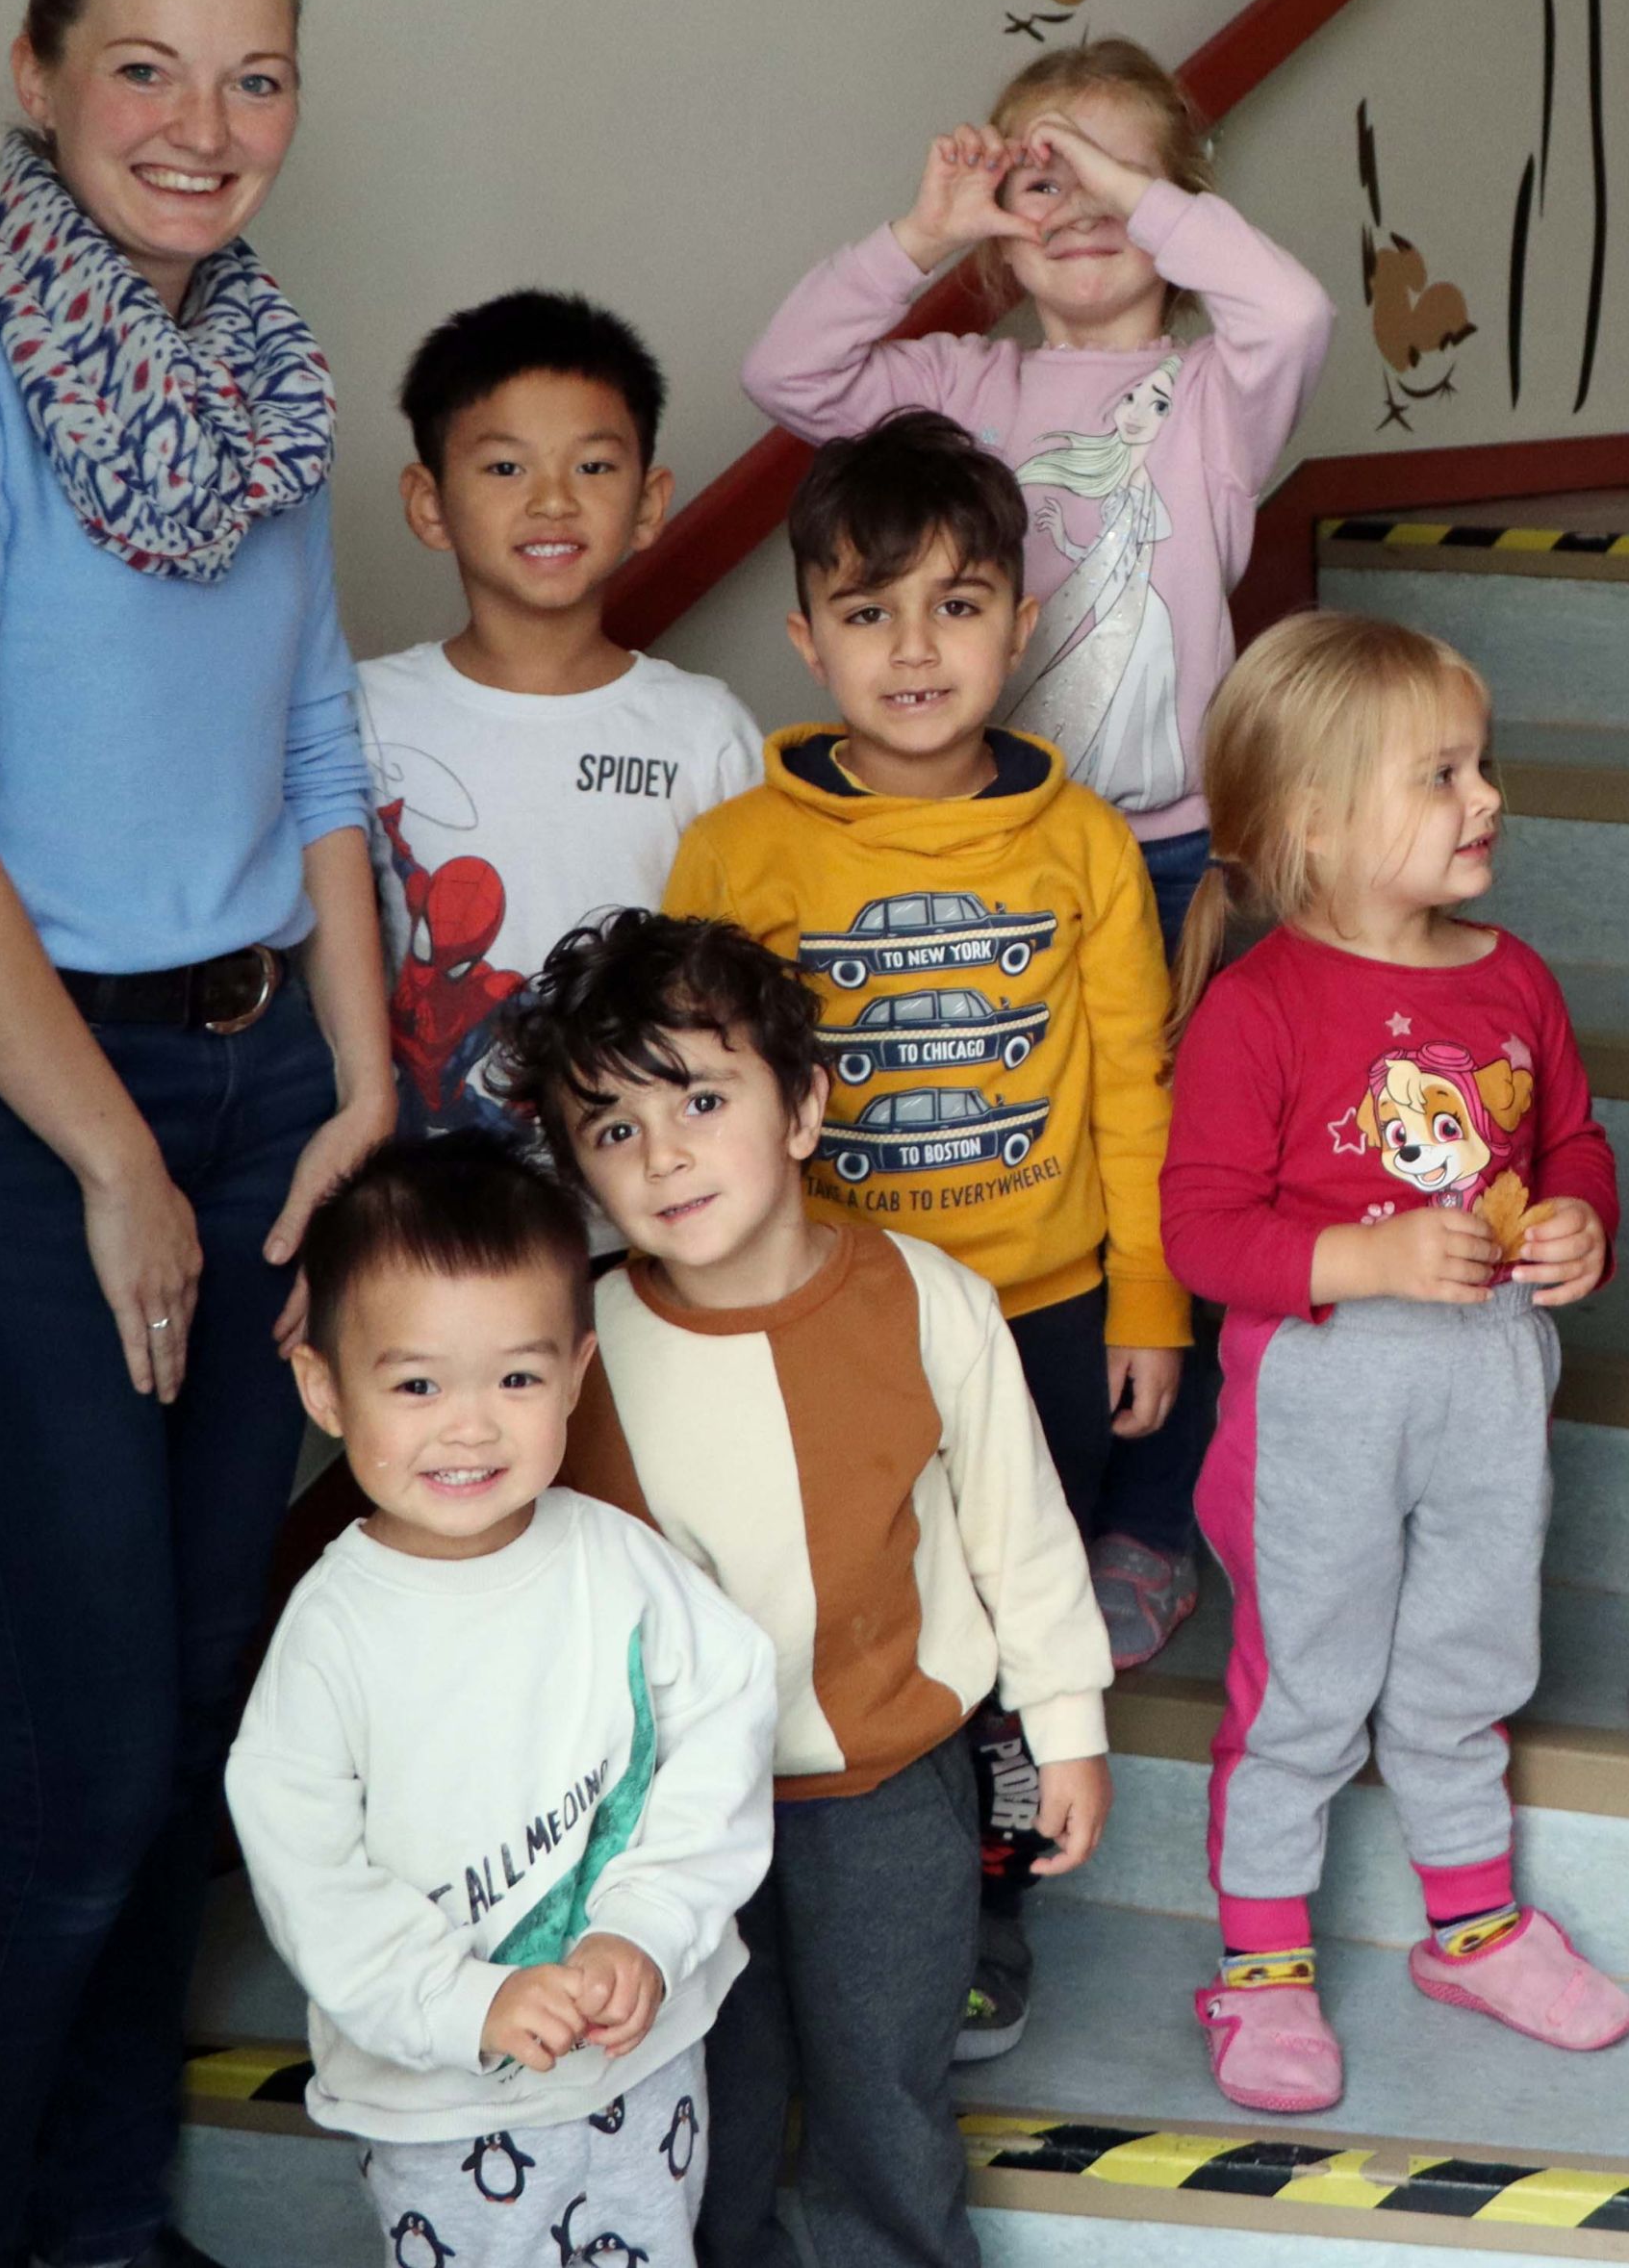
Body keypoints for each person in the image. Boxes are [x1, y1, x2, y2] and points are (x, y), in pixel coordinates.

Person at [0, 0, 395, 2268]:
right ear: (36, 79)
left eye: (253, 71)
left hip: (261, 1097)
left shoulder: (257, 372)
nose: (201, 118)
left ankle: (102, 2228)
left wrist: (358, 1094)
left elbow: (325, 744)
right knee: (68, 1789)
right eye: (143, 63)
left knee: (188, 1753)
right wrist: (113, 1169)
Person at [746, 42, 1336, 1676]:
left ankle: (1148, 1518)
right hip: (982, 854)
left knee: (1180, 1178)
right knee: (1034, 1169)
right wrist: (928, 232)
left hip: (1163, 860)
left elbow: (1295, 311)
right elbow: (788, 371)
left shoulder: (1217, 390)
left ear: (1176, 202)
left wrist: (1135, 192)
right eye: (1042, 183)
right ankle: (1008, 1505)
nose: (1077, 207)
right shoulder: (966, 389)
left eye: (1114, 178)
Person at [662, 410, 1174, 2066]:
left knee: (1031, 1638)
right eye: (868, 611)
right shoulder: (743, 850)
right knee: (859, 1614)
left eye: (956, 605)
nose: (913, 648)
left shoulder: (1083, 842)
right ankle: (800, 1898)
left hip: (1047, 1308)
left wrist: (1150, 1305)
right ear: (805, 636)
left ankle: (993, 1908)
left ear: (1022, 630)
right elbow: (710, 1115)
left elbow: (1133, 1088)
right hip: (840, 1318)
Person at [502, 914, 1110, 2268]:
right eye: (609, 1128)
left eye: (702, 1100)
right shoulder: (572, 1338)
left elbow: (1021, 1527)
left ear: (802, 1107)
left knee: (882, 2072)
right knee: (706, 2079)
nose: (661, 1153)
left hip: (883, 1781)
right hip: (656, 1818)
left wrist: (1065, 1719)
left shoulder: (926, 1297)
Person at [1158, 611, 1629, 2112]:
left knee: (1465, 1661)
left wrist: (1580, 1223)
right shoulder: (1260, 1004)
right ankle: (1262, 1963)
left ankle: (1472, 1925)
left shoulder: (1517, 978)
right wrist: (1361, 1256)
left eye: (1479, 765)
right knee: (1308, 1680)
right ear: (1313, 821)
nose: (1486, 796)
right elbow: (1200, 1233)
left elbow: (1574, 1145)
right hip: (1323, 1406)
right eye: (1440, 774)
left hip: (1488, 1384)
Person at [224, 1134, 779, 2268]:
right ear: (326, 1388)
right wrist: (460, 2002)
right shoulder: (332, 1632)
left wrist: (646, 1925)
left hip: (642, 2064)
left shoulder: (619, 1567)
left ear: (576, 1375)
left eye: (517, 1379)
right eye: (417, 1384)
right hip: (442, 2106)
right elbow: (310, 1873)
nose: (469, 1425)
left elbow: (723, 1728)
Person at [361, 293, 763, 1146]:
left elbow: (748, 985)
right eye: (505, 468)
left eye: (593, 467)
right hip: (435, 1214)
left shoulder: (703, 729)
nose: (552, 501)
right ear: (428, 502)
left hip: (659, 1203)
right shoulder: (360, 715)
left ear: (651, 504)